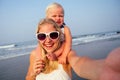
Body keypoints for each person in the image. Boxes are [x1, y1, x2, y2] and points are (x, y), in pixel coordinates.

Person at [26, 18, 120, 80]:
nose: (48, 40)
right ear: (38, 38)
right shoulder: (34, 55)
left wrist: (104, 69)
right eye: (42, 36)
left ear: (60, 36)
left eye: (53, 35)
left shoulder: (66, 54)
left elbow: (80, 63)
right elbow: (28, 78)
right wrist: (33, 74)